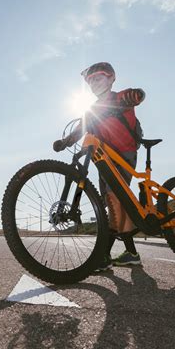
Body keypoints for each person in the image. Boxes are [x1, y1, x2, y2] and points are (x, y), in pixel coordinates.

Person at [53, 62, 145, 270]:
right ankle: (130, 253)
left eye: (99, 78)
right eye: (90, 80)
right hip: (105, 158)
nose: (94, 82)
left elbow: (135, 95)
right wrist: (65, 142)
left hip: (124, 154)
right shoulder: (92, 110)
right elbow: (80, 129)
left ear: (112, 78)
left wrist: (136, 95)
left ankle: (104, 256)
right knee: (112, 202)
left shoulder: (118, 97)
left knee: (114, 201)